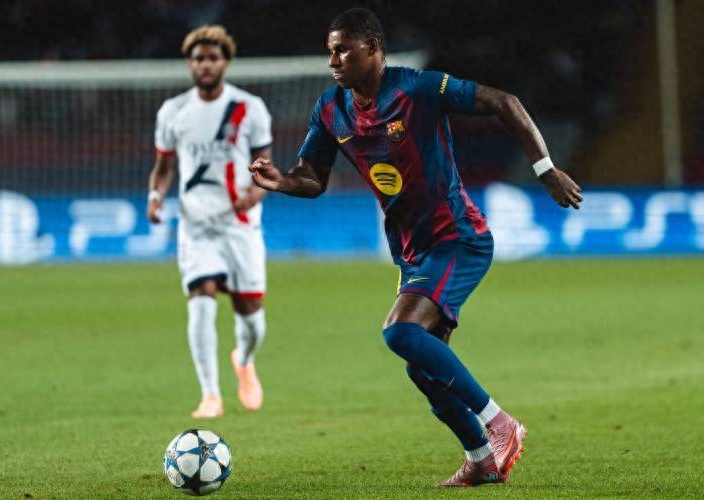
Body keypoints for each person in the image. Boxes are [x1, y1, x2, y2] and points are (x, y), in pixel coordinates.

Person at [249, 7, 582, 488]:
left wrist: (545, 170)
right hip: (412, 251)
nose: (333, 61)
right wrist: (282, 180)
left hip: (457, 237)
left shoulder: (417, 89)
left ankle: (500, 423)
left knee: (400, 332)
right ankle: (481, 460)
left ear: (372, 49)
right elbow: (312, 178)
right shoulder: (331, 108)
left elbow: (504, 101)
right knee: (422, 369)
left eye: (342, 50)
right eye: (330, 52)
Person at [147, 25, 273, 418]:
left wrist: (256, 193)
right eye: (198, 58)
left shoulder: (249, 108)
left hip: (240, 224)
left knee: (251, 321)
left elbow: (266, 168)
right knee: (200, 299)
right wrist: (155, 197)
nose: (205, 64)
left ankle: (244, 360)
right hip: (196, 224)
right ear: (190, 64)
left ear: (226, 63)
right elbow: (163, 168)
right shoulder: (173, 111)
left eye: (212, 58)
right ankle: (210, 395)